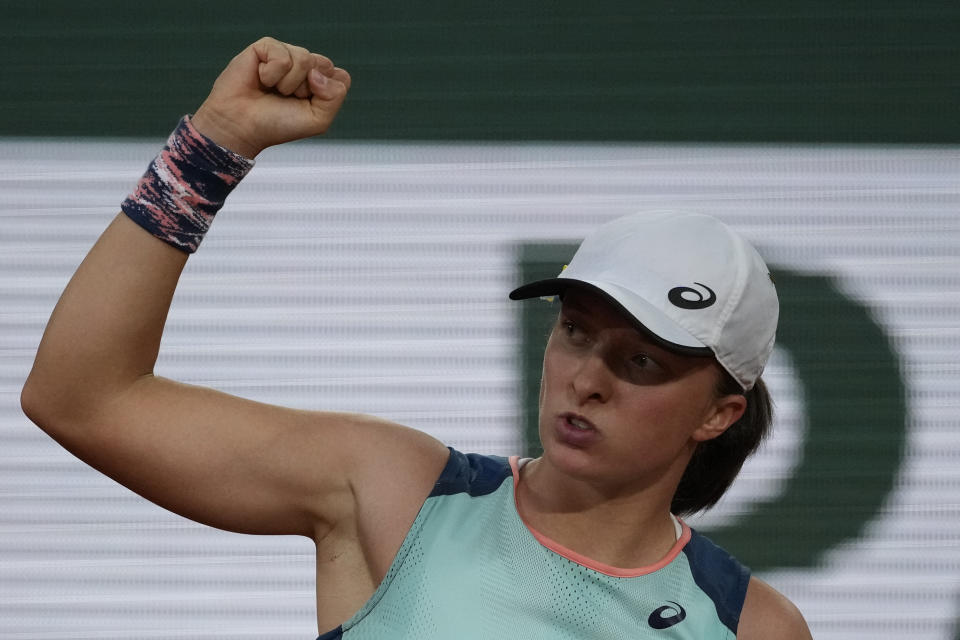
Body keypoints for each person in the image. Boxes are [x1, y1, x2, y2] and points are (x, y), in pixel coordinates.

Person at [21, 37, 812, 639]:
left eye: (642, 360)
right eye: (575, 332)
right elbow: (81, 396)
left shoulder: (753, 627)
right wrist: (214, 145)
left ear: (719, 414)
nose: (587, 379)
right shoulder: (396, 491)